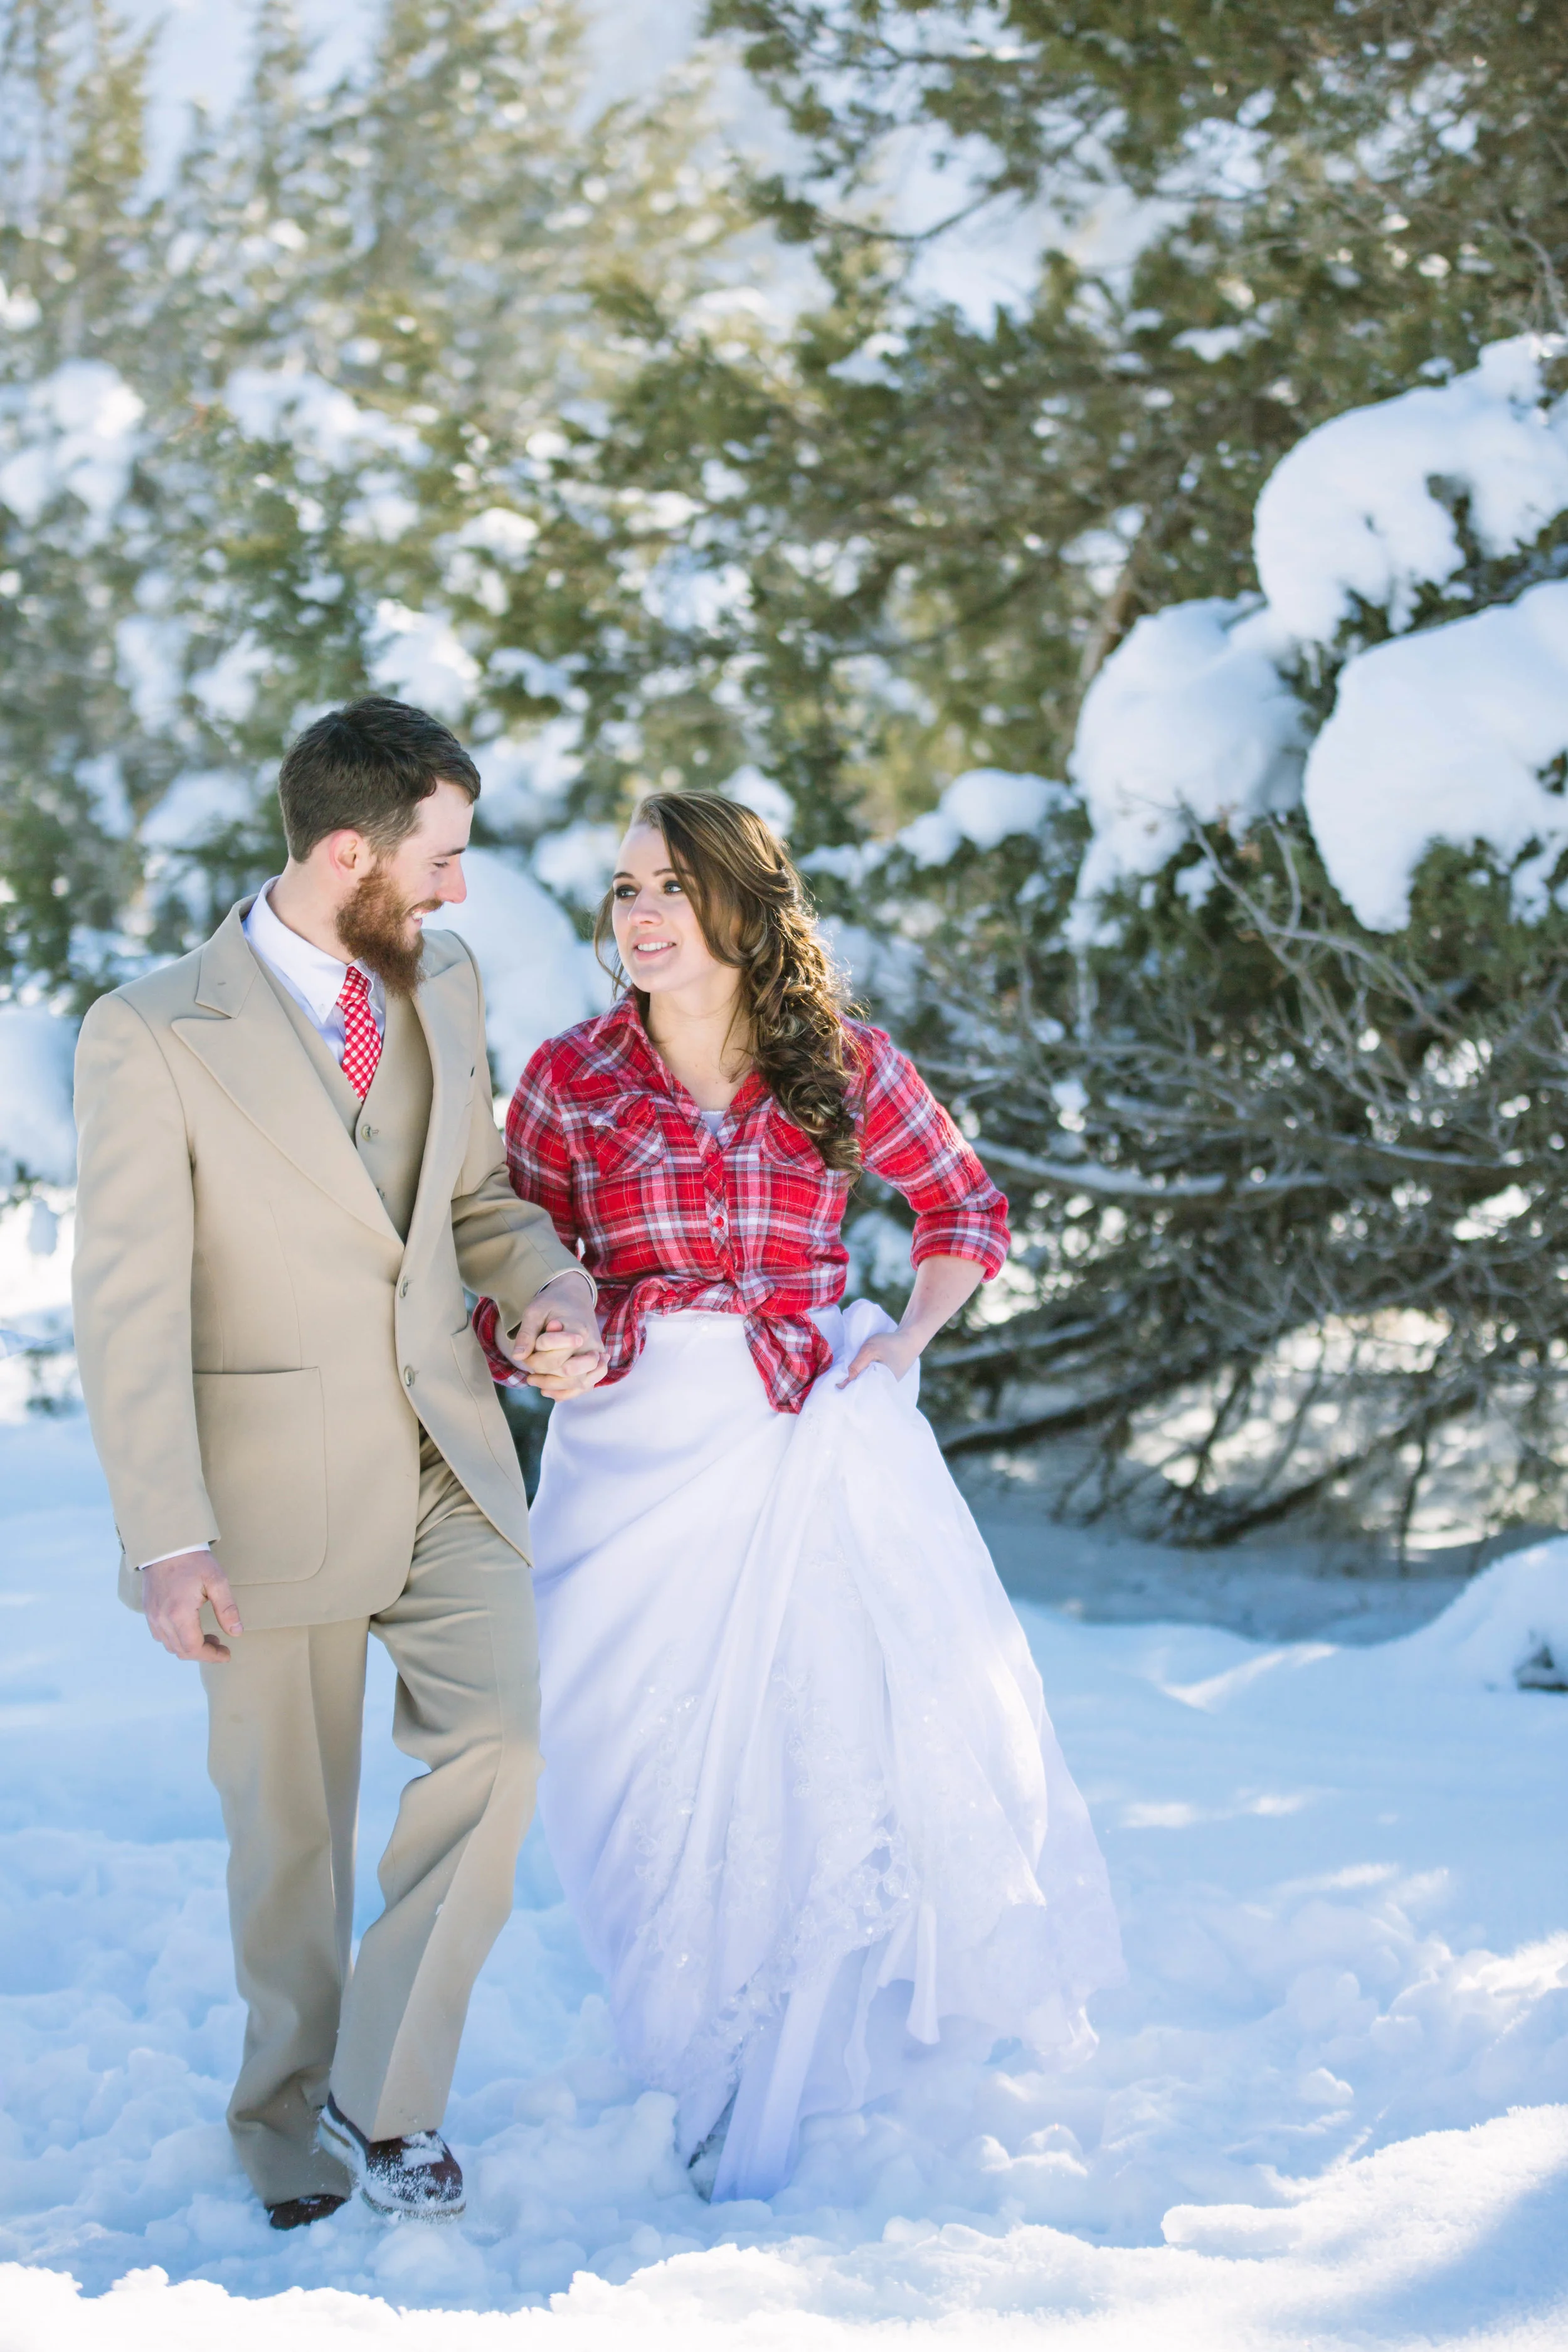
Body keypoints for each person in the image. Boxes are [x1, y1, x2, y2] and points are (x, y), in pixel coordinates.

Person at [477, 791, 1124, 2203]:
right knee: (620, 1765)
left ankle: (789, 2068)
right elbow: (508, 1278)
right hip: (625, 1462)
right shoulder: (567, 1077)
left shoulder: (835, 1061)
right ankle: (673, 2046)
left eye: (667, 889)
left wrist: (901, 1340)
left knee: (800, 1755)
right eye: (624, 891)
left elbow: (964, 1210)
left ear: (738, 906)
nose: (637, 917)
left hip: (797, 1444)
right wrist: (539, 1339)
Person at [71, 698, 605, 2229]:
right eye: (439, 858)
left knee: (500, 1742)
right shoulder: (153, 1030)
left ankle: (387, 2099)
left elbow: (477, 1197)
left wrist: (543, 1284)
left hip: (443, 1453)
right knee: (290, 1842)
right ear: (351, 850)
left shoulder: (444, 980)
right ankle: (285, 2123)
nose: (456, 890)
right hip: (256, 1495)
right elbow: (128, 1303)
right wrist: (167, 1533)